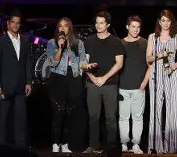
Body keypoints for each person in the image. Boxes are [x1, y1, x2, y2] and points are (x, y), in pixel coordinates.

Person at [82, 10, 125, 153]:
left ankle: (112, 148)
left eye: (101, 23)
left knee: (111, 118)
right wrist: (93, 78)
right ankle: (93, 145)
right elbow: (84, 62)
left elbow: (119, 63)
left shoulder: (115, 41)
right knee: (93, 116)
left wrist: (103, 78)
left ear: (108, 24)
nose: (98, 25)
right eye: (96, 23)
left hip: (110, 85)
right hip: (92, 84)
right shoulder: (88, 41)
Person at [0, 10, 33, 149]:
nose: (15, 25)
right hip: (5, 86)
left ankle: (20, 146)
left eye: (18, 23)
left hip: (21, 86)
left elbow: (28, 62)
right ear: (8, 24)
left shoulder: (25, 40)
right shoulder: (0, 41)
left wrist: (29, 81)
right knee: (3, 116)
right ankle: (2, 145)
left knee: (21, 117)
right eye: (13, 22)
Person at [44, 18, 87, 153]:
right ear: (58, 29)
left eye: (66, 26)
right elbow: (52, 63)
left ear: (70, 28)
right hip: (58, 78)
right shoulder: (52, 42)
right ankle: (56, 143)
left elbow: (82, 61)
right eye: (60, 26)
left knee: (69, 112)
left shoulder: (78, 43)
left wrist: (86, 65)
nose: (63, 28)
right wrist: (60, 48)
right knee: (58, 112)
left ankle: (65, 143)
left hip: (73, 78)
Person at [146, 9, 177, 153]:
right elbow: (148, 58)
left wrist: (173, 66)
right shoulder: (152, 37)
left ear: (171, 22)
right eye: (163, 20)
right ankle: (155, 146)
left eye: (168, 21)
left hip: (171, 73)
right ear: (159, 22)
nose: (166, 23)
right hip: (156, 74)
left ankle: (172, 146)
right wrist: (159, 54)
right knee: (155, 109)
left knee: (173, 109)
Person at [119, 16, 151, 154]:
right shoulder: (120, 43)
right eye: (133, 26)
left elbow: (151, 64)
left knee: (138, 118)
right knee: (123, 117)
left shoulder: (145, 43)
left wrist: (145, 82)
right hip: (123, 87)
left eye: (138, 27)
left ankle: (136, 144)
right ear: (127, 27)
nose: (136, 29)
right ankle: (124, 144)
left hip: (139, 87)